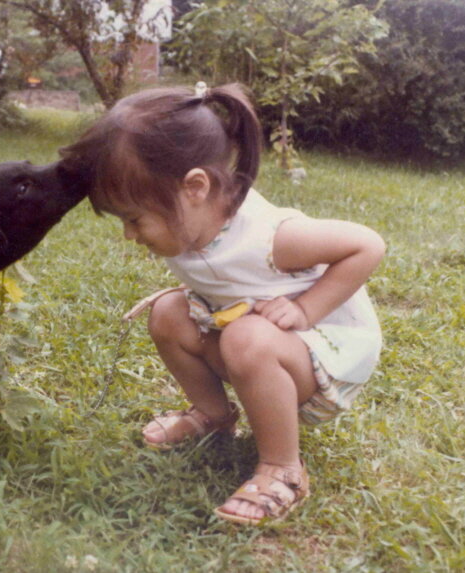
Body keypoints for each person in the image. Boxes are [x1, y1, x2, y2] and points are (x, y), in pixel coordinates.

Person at [60, 83, 384, 525]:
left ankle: (283, 468)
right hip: (258, 347)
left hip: (326, 368)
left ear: (195, 187)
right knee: (169, 312)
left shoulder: (273, 238)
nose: (129, 235)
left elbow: (367, 245)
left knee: (246, 338)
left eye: (135, 219)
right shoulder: (189, 226)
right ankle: (213, 414)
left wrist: (305, 309)